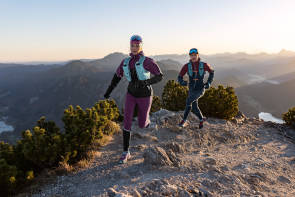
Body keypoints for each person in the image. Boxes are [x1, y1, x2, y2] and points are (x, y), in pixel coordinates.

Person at [104, 35, 163, 164]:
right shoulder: (125, 62)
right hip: (131, 94)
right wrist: (108, 92)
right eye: (132, 45)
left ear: (141, 46)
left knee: (142, 124)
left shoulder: (148, 61)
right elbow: (116, 77)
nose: (134, 48)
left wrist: (146, 82)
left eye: (137, 45)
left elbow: (159, 76)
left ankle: (147, 122)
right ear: (130, 46)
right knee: (127, 121)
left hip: (145, 95)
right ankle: (126, 152)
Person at [177, 48, 214, 129]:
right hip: (191, 89)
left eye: (195, 55)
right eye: (191, 55)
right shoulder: (186, 66)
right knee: (194, 106)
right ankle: (201, 120)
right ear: (190, 56)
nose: (193, 57)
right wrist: (182, 82)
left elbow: (212, 72)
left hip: (200, 89)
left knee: (188, 101)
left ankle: (184, 120)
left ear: (198, 55)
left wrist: (208, 83)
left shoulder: (204, 65)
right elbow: (179, 77)